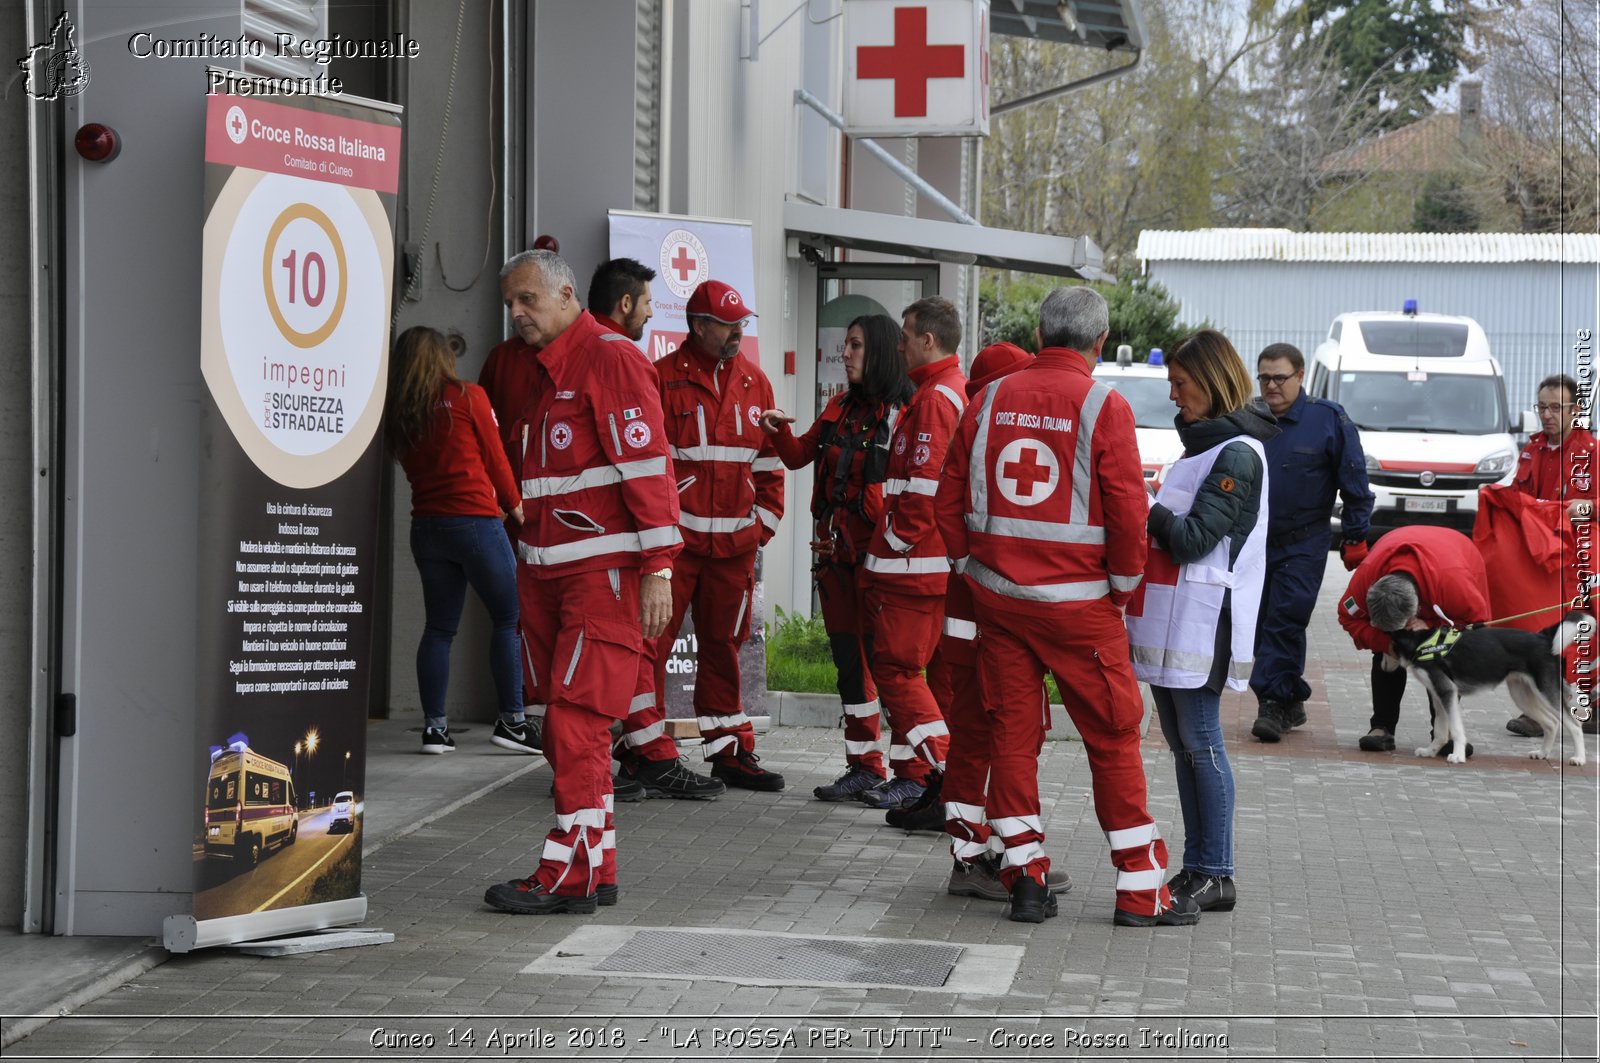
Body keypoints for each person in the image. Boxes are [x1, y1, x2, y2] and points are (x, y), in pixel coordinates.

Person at [935, 286, 1194, 927]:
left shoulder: (988, 397)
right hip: (1082, 611)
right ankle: (1140, 890)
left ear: (1043, 332)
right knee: (1111, 739)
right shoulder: (1105, 405)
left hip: (999, 604)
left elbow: (945, 500)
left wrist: (974, 569)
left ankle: (1024, 878)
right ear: (1099, 341)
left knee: (1013, 739)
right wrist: (1123, 587)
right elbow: (1130, 513)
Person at [482, 250, 682, 915]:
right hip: (549, 575)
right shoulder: (541, 370)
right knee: (567, 727)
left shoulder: (611, 358)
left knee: (574, 723)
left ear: (567, 294)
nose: (516, 314)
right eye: (510, 303)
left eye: (527, 301)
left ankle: (566, 875)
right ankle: (595, 866)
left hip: (601, 577)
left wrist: (657, 565)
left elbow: (649, 466)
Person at [1127, 330, 1278, 916]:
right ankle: (1199, 867)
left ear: (1211, 382)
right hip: (1178, 622)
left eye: (1180, 384)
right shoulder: (1203, 447)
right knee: (1185, 746)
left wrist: (1147, 506)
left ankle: (1215, 870)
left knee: (1201, 741)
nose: (1173, 396)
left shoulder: (1237, 452)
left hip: (1204, 622)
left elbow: (1192, 539)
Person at [633, 280, 786, 794]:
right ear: (698, 326)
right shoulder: (659, 380)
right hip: (674, 553)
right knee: (651, 647)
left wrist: (762, 525)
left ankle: (729, 753)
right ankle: (647, 754)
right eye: (727, 323)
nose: (738, 330)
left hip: (733, 553)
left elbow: (769, 464)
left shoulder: (756, 383)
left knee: (724, 647)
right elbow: (648, 467)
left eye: (742, 322)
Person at [760, 314, 914, 802]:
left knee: (891, 669)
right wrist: (777, 431)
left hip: (882, 567)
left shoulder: (904, 414)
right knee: (851, 666)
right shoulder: (840, 408)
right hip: (836, 563)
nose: (844, 355)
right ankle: (865, 765)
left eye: (855, 346)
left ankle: (915, 776)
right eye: (845, 345)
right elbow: (799, 455)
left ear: (883, 352)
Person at [385, 326, 538, 756]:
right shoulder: (468, 396)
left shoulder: (402, 410)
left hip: (427, 529)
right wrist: (516, 506)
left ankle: (435, 730)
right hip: (475, 523)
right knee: (509, 618)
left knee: (438, 628)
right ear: (441, 358)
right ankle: (512, 722)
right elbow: (496, 458)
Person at [856, 297, 967, 812]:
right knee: (933, 683)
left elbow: (921, 493)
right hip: (928, 570)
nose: (897, 344)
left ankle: (951, 778)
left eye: (905, 334)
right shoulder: (940, 393)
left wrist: (892, 545)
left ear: (929, 340)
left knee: (898, 673)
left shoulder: (934, 401)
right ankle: (946, 784)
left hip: (913, 571)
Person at [1248, 343, 1374, 742]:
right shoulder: (1248, 418)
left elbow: (1354, 482)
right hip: (1254, 544)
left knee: (1285, 619)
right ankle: (1291, 698)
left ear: (1300, 376)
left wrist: (1355, 534)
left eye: (1280, 378)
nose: (1271, 385)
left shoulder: (1328, 420)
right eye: (1265, 377)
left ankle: (1270, 701)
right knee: (1256, 624)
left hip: (1304, 543)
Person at [1337, 526, 1491, 754]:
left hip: (1455, 557)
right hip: (1402, 551)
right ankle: (1381, 726)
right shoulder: (1367, 577)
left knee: (1440, 656)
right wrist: (1386, 644)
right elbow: (1347, 617)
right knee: (1386, 654)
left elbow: (1478, 628)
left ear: (1416, 609)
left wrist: (1433, 632)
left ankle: (1445, 730)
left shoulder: (1456, 585)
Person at [1507, 373, 1599, 737]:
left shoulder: (1590, 452)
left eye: (1555, 407)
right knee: (1538, 633)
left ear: (1575, 410)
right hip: (1539, 561)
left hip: (1578, 559)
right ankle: (1541, 710)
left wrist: (1586, 508)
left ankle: (1583, 704)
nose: (1546, 415)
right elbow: (1517, 496)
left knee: (1578, 634)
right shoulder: (1531, 450)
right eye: (1541, 407)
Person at [587, 257, 655, 342]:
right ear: (626, 304)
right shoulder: (625, 353)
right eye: (647, 303)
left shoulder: (573, 344)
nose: (650, 313)